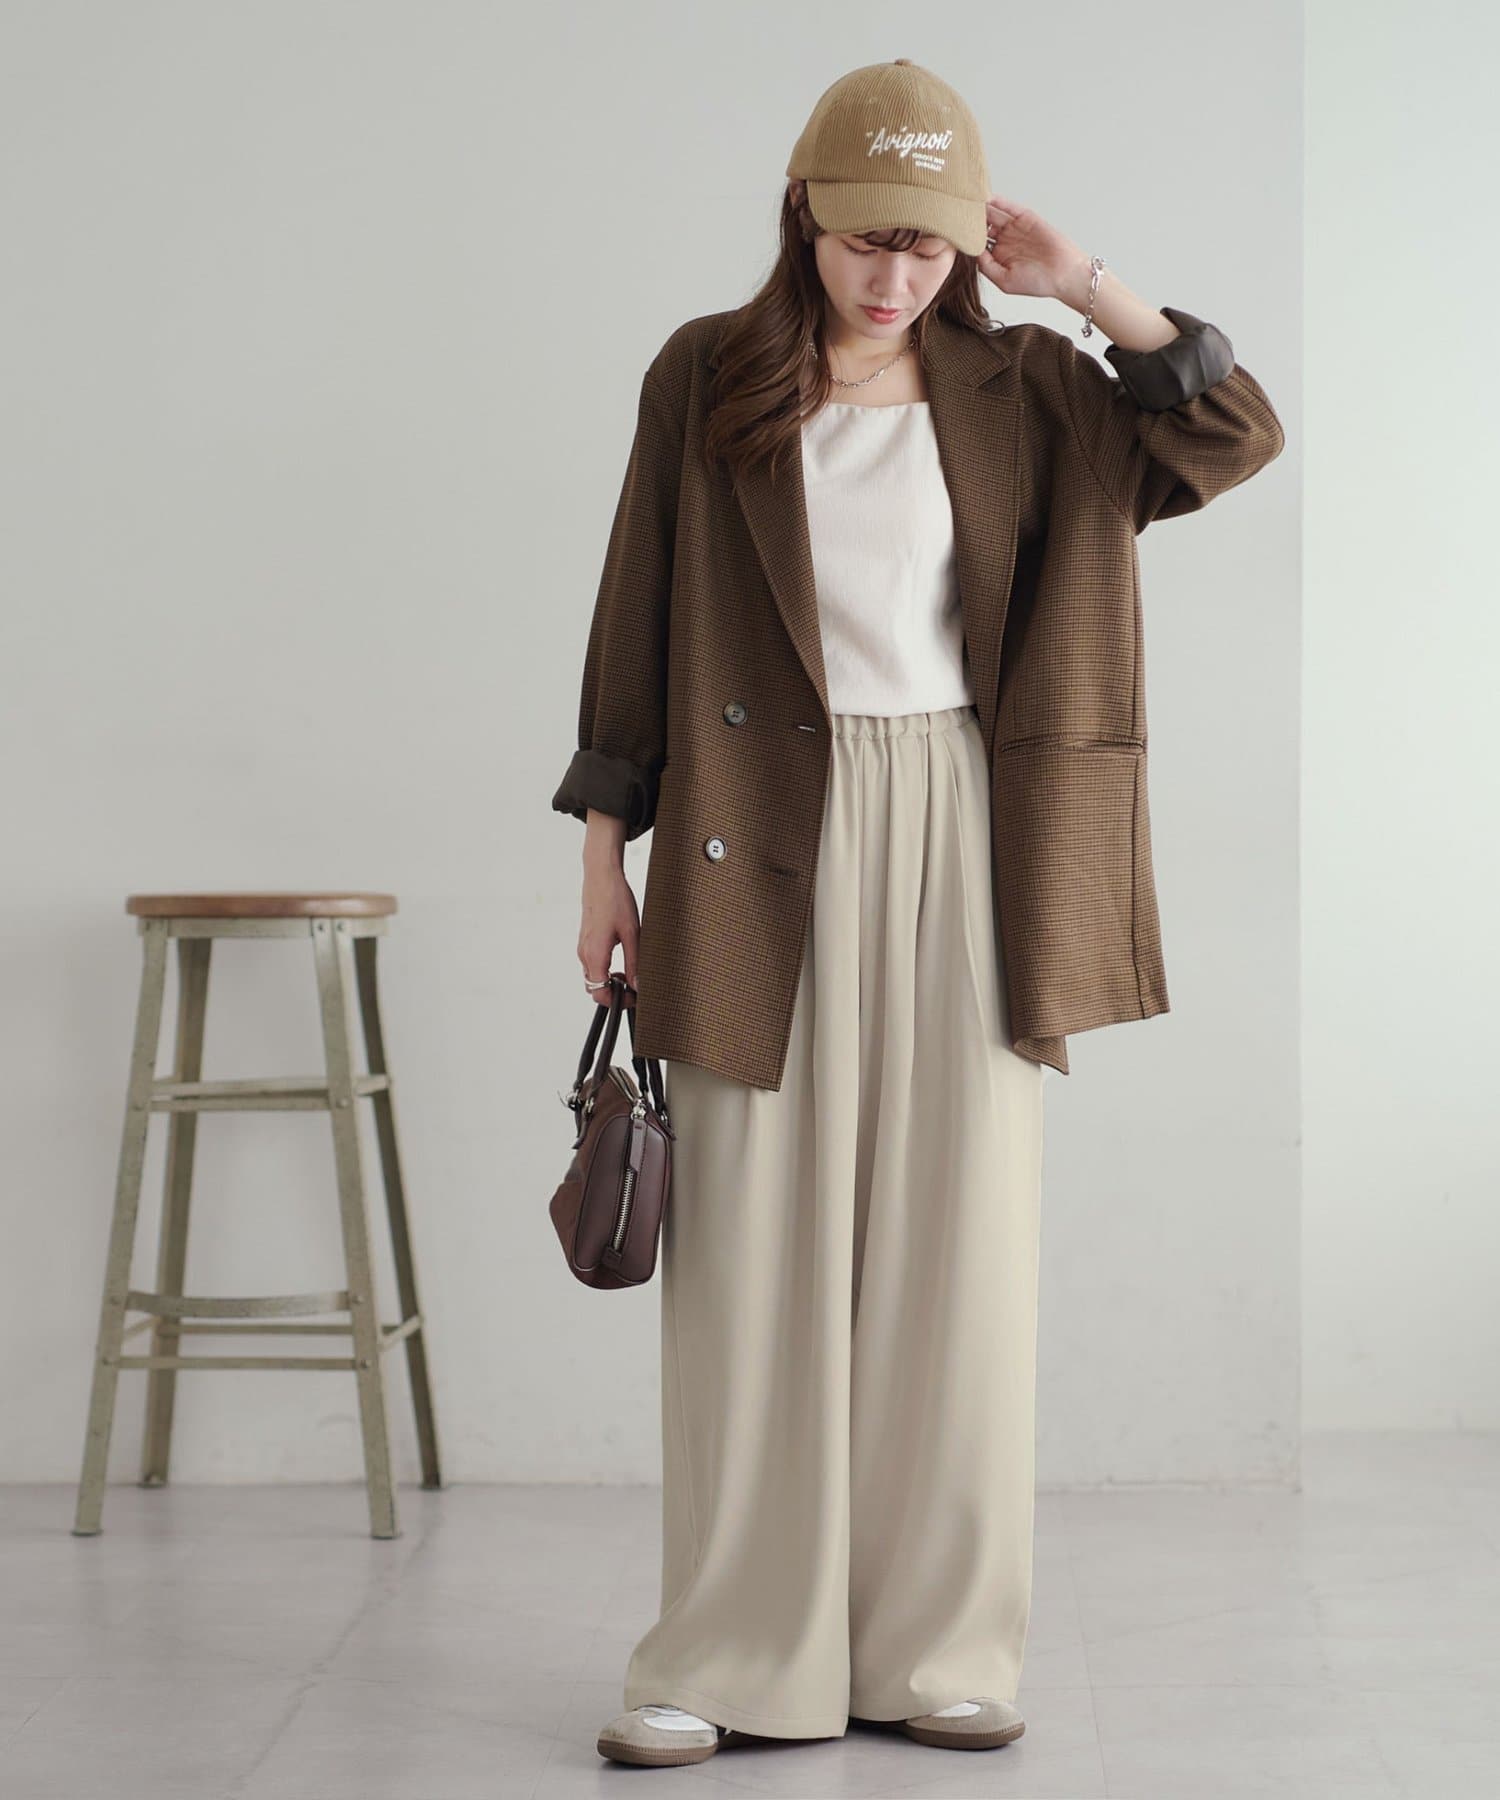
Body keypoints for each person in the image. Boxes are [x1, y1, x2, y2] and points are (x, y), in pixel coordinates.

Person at [552, 58, 1285, 1770]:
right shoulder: (706, 375)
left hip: (969, 823)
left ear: (970, 246)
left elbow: (1229, 432)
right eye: (866, 237)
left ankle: (939, 1649)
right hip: (751, 830)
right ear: (802, 215)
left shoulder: (1034, 385)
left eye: (930, 246)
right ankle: (729, 1654)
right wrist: (603, 859)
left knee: (959, 1245)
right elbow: (634, 615)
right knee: (751, 1253)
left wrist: (1081, 280)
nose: (894, 276)